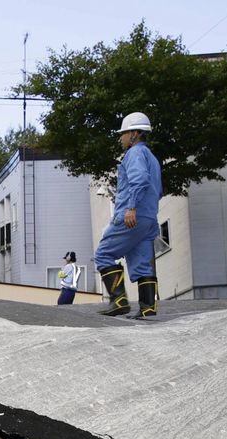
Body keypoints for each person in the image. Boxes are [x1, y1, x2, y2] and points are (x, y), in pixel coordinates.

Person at [94, 112, 162, 318]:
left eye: (123, 134)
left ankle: (119, 301)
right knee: (141, 262)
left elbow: (139, 180)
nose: (121, 138)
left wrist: (131, 208)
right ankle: (148, 308)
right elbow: (157, 190)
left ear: (134, 134)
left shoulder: (134, 154)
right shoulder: (152, 158)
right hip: (149, 219)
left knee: (103, 254)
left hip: (132, 216)